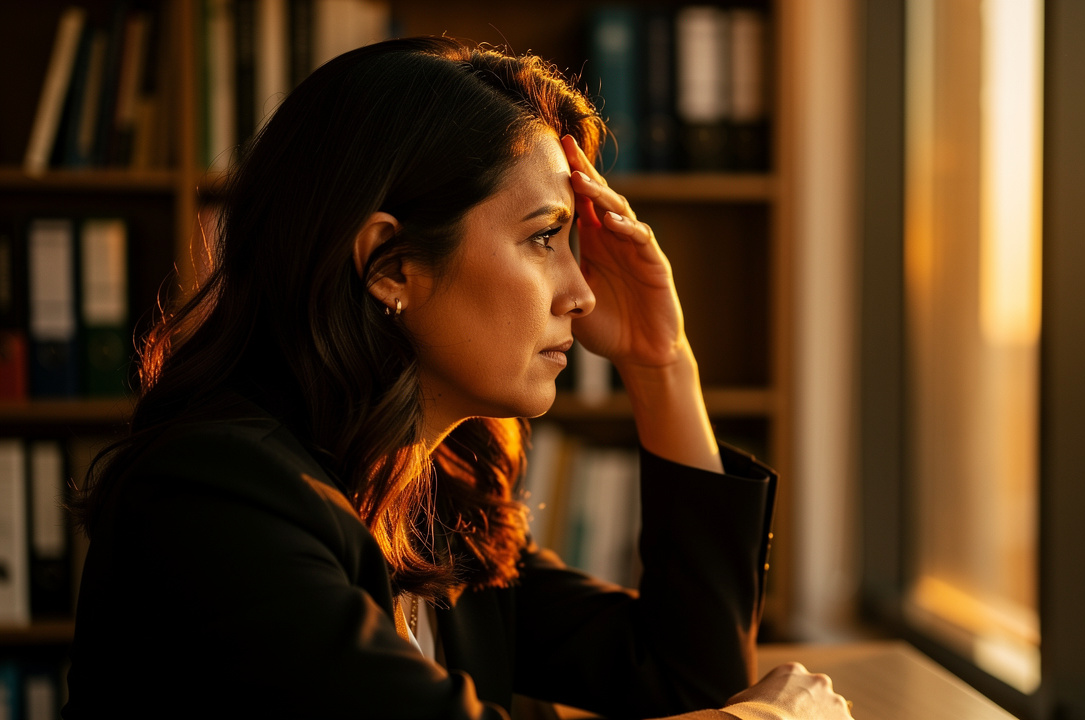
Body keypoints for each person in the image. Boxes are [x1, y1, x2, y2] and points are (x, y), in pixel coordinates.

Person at [64, 37, 852, 720]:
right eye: (543, 238)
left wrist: (661, 362)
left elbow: (686, 678)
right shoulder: (212, 498)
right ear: (391, 264)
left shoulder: (435, 499)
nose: (582, 293)